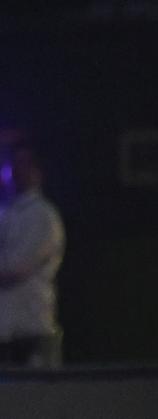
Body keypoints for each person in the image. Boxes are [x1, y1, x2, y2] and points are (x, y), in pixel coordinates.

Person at [0, 135, 65, 368]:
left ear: (37, 171)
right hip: (5, 333)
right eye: (13, 164)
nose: (16, 171)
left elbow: (17, 269)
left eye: (24, 164)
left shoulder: (43, 216)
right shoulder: (6, 213)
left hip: (33, 331)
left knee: (37, 400)